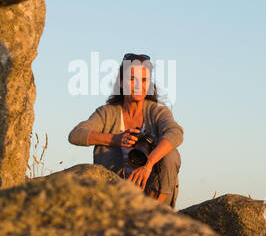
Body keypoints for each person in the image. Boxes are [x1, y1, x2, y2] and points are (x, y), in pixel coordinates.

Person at [68, 53, 182, 207]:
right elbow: (75, 135)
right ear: (121, 82)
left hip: (153, 195)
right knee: (104, 145)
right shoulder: (107, 113)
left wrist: (148, 164)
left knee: (171, 153)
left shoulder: (157, 112)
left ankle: (153, 211)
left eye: (143, 80)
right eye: (132, 79)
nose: (137, 85)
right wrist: (116, 139)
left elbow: (176, 133)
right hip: (115, 194)